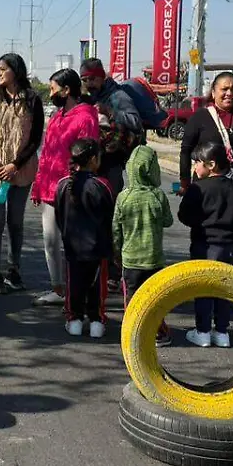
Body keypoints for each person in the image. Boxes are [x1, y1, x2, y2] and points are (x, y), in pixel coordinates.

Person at [0, 53, 44, 295]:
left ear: (15, 70)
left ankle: (14, 269)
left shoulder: (32, 99)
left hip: (21, 171)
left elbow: (35, 138)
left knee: (15, 222)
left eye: (2, 69)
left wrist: (15, 164)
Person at [30, 68, 99, 306]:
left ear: (67, 89)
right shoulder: (57, 116)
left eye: (53, 88)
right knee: (50, 241)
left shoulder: (86, 117)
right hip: (49, 189)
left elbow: (88, 155)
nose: (51, 93)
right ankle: (58, 289)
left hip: (71, 190)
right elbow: (47, 153)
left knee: (73, 245)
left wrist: (78, 185)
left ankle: (77, 293)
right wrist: (38, 185)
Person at [79, 57, 142, 291]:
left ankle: (114, 272)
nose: (89, 84)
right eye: (85, 80)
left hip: (111, 166)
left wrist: (109, 112)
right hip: (92, 165)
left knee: (111, 220)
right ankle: (98, 268)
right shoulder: (89, 97)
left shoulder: (117, 96)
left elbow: (135, 122)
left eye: (92, 79)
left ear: (103, 76)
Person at [178, 140, 233, 347]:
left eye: (197, 162)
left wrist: (199, 221)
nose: (194, 167)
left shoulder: (198, 189)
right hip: (231, 246)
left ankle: (203, 330)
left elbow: (184, 216)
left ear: (211, 164)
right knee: (224, 289)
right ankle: (222, 331)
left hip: (204, 245)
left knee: (203, 288)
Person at [113, 145, 175, 346]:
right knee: (154, 298)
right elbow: (168, 221)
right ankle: (158, 332)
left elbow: (116, 229)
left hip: (130, 259)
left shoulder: (123, 197)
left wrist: (116, 252)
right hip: (154, 258)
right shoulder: (157, 196)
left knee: (131, 298)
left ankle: (132, 332)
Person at [56, 138, 114, 338]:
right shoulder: (102, 185)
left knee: (74, 285)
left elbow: (59, 217)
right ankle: (97, 320)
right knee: (97, 286)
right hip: (98, 248)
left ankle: (75, 319)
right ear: (92, 159)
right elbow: (110, 217)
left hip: (72, 246)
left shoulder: (62, 185)